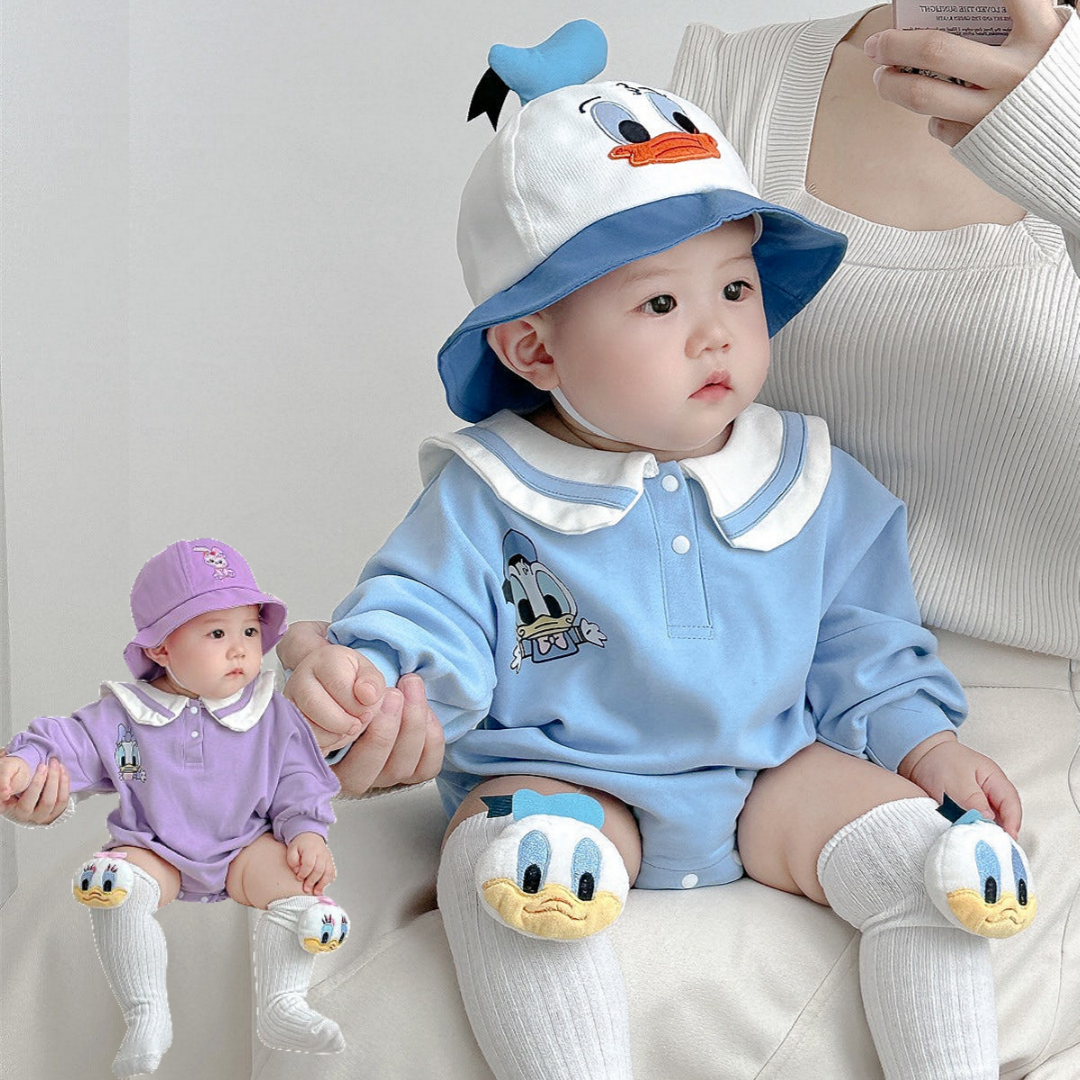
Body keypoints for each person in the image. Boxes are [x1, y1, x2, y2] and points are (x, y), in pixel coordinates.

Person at [279, 20, 1038, 1080]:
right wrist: (368, 685)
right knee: (517, 863)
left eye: (735, 288)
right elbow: (423, 622)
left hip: (772, 770)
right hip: (571, 775)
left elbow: (866, 643)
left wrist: (925, 748)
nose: (716, 331)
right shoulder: (491, 493)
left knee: (935, 863)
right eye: (660, 302)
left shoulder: (811, 478)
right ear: (534, 347)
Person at [0, 538, 351, 1077]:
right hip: (155, 847)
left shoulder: (271, 713)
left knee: (301, 888)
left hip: (245, 847)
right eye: (216, 633)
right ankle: (145, 1012)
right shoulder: (126, 716)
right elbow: (66, 743)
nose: (240, 650)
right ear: (162, 649)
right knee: (114, 882)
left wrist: (307, 831)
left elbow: (299, 777)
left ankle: (283, 1004)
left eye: (249, 631)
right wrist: (23, 764)